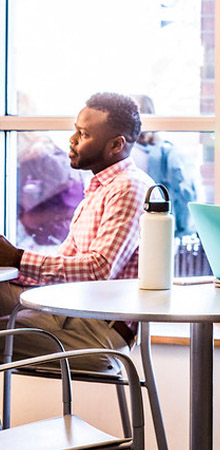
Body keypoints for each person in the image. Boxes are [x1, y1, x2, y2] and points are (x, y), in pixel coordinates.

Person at [0, 92, 154, 373]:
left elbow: (99, 270)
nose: (71, 140)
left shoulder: (129, 188)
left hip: (95, 331)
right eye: (75, 130)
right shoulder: (100, 187)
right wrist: (10, 261)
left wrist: (19, 258)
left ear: (116, 144)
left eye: (82, 134)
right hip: (69, 312)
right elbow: (67, 267)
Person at [131, 94, 199, 237]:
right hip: (157, 230)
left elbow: (183, 195)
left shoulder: (168, 154)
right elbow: (184, 196)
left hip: (154, 229)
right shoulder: (167, 153)